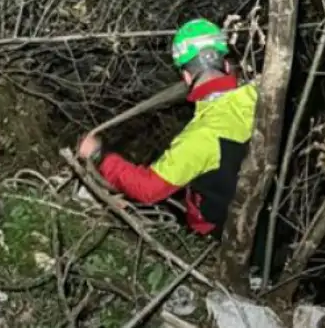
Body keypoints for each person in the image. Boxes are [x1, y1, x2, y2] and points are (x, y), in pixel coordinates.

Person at [76, 18, 256, 238]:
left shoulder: (200, 137)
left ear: (186, 76)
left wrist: (98, 156)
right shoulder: (261, 98)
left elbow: (148, 189)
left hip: (221, 235)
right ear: (227, 66)